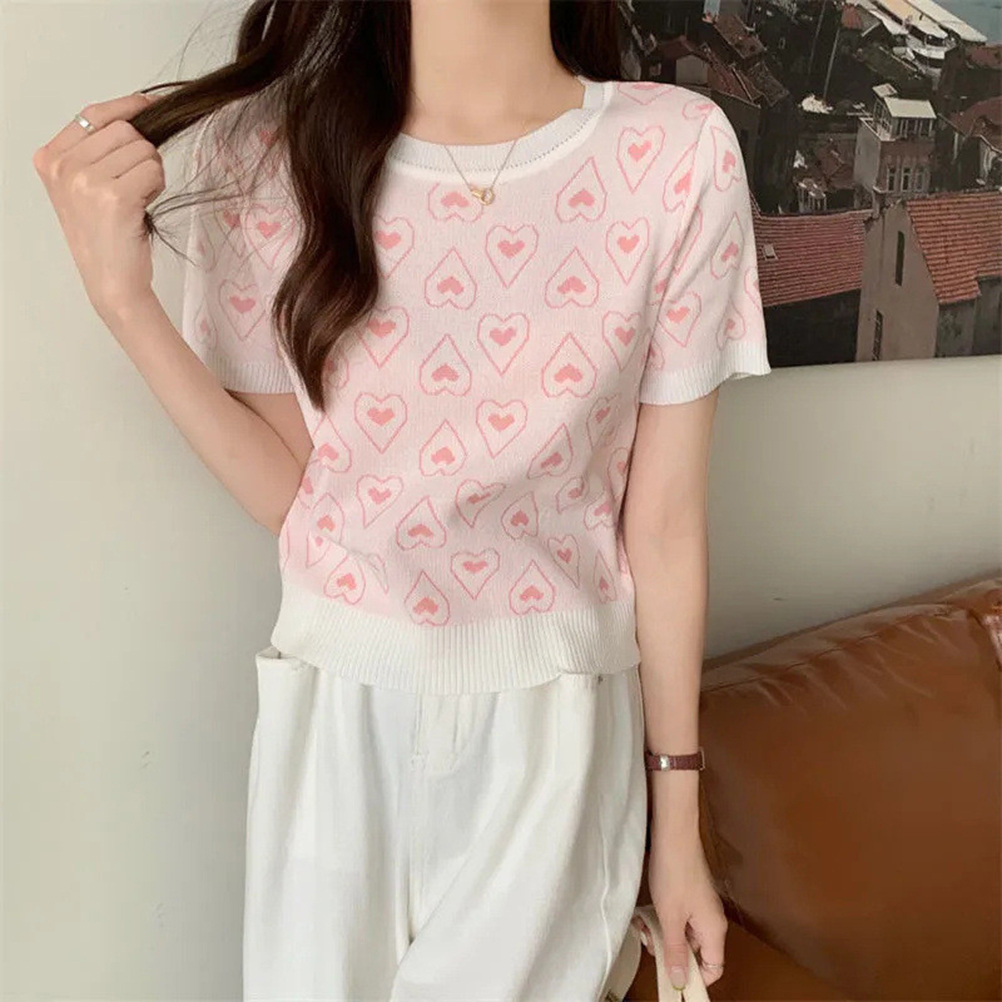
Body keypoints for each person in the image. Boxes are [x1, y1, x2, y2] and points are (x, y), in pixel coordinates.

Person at [33, 1, 771, 998]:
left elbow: (667, 523)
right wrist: (123, 303)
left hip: (556, 731)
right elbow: (303, 496)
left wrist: (676, 826)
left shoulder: (674, 152)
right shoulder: (264, 155)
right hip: (335, 714)